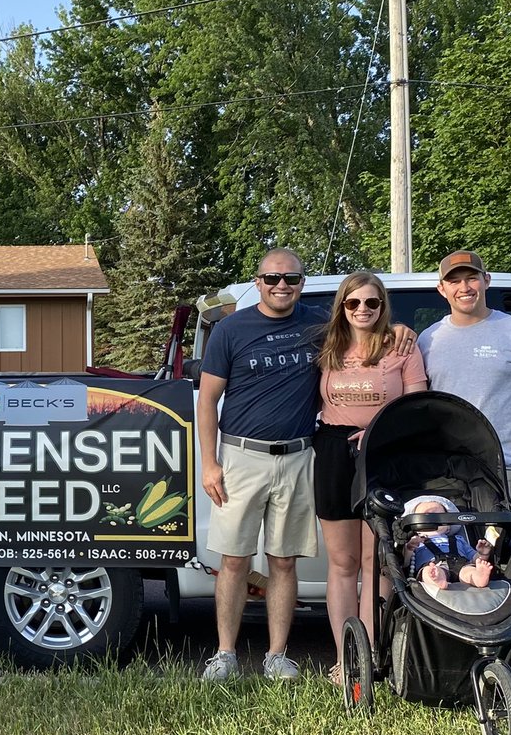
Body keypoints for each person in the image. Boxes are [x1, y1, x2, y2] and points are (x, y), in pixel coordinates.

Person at [197, 250, 416, 681]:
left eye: (291, 279)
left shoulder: (319, 326)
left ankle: (276, 656)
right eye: (272, 278)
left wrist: (402, 329)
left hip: (299, 456)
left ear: (302, 283)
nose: (282, 285)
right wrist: (209, 462)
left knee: (283, 561)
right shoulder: (230, 330)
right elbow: (207, 400)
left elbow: (366, 330)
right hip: (242, 456)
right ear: (258, 282)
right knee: (234, 560)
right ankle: (224, 654)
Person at [314, 272, 426, 684]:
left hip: (383, 453)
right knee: (343, 563)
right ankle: (346, 660)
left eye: (371, 302)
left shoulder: (401, 346)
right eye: (353, 302)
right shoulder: (327, 346)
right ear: (342, 306)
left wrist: (380, 431)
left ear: (383, 306)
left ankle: (373, 657)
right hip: (334, 452)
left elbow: (417, 407)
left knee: (375, 562)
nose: (362, 309)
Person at [418, 250, 511, 566]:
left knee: (508, 568)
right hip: (446, 475)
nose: (464, 287)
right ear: (442, 289)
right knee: (447, 567)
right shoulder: (428, 340)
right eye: (454, 281)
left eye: (471, 278)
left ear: (486, 281)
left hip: (505, 472)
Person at [401, 496, 495, 590]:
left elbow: (474, 559)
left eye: (438, 517)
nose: (432, 520)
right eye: (426, 518)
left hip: (461, 564)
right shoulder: (416, 541)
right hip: (433, 565)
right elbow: (406, 563)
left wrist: (483, 554)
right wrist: (409, 548)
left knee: (468, 571)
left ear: (448, 526)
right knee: (427, 572)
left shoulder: (458, 539)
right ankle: (438, 580)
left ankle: (478, 578)